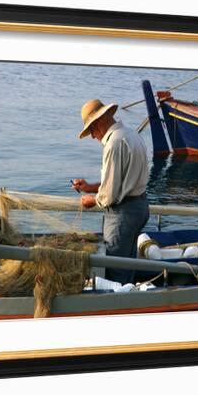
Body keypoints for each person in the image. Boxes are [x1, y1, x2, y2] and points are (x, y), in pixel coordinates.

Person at [72, 99, 150, 284]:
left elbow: (109, 195)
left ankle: (120, 306)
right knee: (129, 262)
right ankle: (130, 295)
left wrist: (92, 200)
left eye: (91, 130)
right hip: (140, 207)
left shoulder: (113, 144)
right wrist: (89, 186)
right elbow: (122, 181)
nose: (92, 136)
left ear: (98, 122)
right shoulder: (132, 135)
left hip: (123, 215)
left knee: (116, 269)